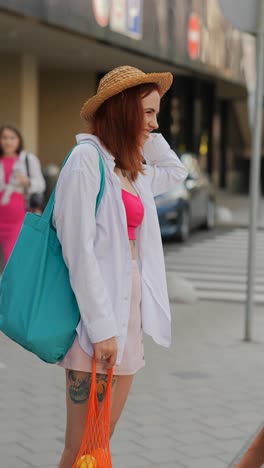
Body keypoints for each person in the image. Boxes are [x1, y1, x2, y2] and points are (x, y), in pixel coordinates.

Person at [53, 65, 188, 467]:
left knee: (102, 438)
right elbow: (78, 251)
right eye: (147, 112)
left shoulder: (130, 168)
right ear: (123, 109)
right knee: (80, 446)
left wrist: (144, 134)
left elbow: (176, 171)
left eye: (156, 112)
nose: (155, 122)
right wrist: (103, 330)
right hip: (97, 321)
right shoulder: (85, 160)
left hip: (128, 315)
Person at [0, 124, 46, 267]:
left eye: (12, 138)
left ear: (19, 140)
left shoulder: (28, 159)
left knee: (13, 261)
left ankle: (13, 289)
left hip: (18, 218)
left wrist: (27, 182)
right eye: (4, 137)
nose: (8, 142)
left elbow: (41, 184)